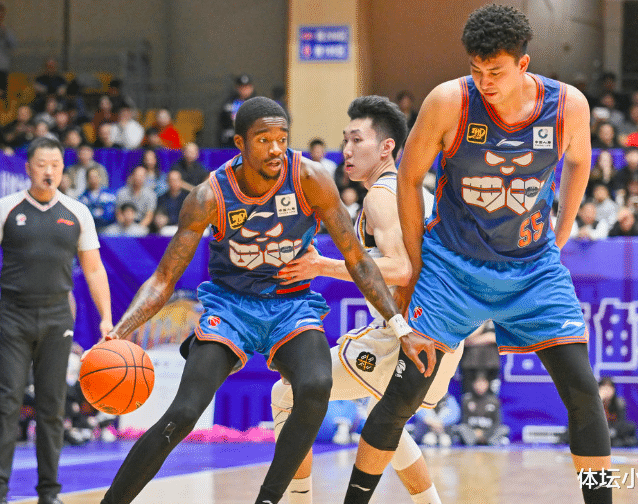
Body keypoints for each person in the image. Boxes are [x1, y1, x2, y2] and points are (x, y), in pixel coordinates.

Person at [97, 96, 434, 504]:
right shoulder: (209, 196)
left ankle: (268, 500)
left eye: (282, 138)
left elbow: (359, 259)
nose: (276, 149)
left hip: (290, 306)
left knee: (316, 385)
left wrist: (399, 325)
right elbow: (163, 279)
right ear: (240, 143)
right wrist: (121, 330)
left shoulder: (310, 178)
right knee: (183, 413)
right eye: (263, 140)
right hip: (231, 307)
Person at [343, 6, 612, 504]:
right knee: (403, 394)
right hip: (453, 269)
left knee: (582, 391)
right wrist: (417, 264)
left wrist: (561, 234)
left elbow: (580, 161)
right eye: (477, 70)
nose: (485, 81)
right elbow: (408, 178)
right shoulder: (450, 101)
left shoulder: (567, 106)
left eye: (496, 71)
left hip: (532, 269)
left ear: (523, 64)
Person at [270, 96, 462, 504]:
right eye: (345, 139)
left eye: (357, 140)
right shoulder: (414, 192)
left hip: (409, 333)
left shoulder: (382, 196)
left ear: (387, 147)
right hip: (444, 336)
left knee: (286, 394)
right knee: (385, 418)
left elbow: (400, 269)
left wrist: (321, 265)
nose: (347, 149)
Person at [0, 137, 112, 504]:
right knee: (7, 403)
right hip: (12, 317)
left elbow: (94, 270)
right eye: (41, 165)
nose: (49, 171)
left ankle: (49, 493)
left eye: (55, 165)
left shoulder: (77, 212)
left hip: (56, 318)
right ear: (28, 168)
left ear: (63, 169)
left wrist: (106, 318)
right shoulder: (6, 208)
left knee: (52, 407)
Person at [455, 373, 510, 447]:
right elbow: (464, 420)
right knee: (461, 428)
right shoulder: (466, 399)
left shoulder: (494, 400)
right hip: (473, 433)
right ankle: (472, 442)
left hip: (489, 432)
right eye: (478, 384)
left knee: (504, 429)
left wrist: (484, 434)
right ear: (474, 384)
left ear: (487, 384)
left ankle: (491, 442)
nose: (480, 386)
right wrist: (476, 433)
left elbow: (497, 422)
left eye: (482, 384)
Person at [597, 377, 638, 448]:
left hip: (614, 430)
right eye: (604, 388)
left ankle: (619, 441)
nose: (607, 391)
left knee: (631, 426)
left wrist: (612, 431)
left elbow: (621, 421)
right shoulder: (594, 403)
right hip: (599, 430)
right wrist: (599, 399)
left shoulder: (619, 403)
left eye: (609, 388)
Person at [218, 73, 256, 147]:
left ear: (251, 88)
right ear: (237, 88)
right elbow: (222, 122)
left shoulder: (257, 102)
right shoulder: (229, 103)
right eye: (241, 87)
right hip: (230, 142)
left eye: (247, 87)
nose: (244, 90)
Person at [79, 167, 117, 231]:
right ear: (87, 180)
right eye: (91, 177)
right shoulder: (83, 198)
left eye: (95, 177)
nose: (93, 180)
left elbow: (110, 214)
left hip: (107, 227)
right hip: (89, 229)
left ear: (100, 178)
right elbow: (83, 217)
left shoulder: (109, 195)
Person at [0, 2, 16, 100]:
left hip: (2, 68)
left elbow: (13, 45)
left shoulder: (6, 30)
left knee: (2, 96)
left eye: (1, 13)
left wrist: (4, 32)